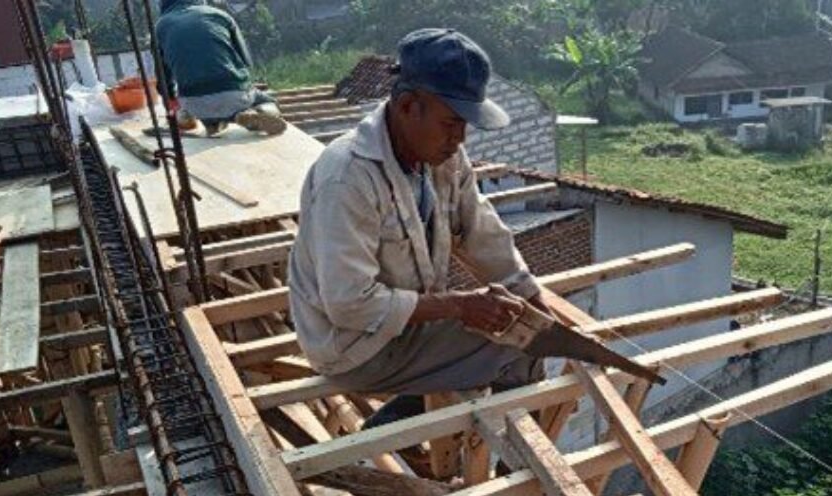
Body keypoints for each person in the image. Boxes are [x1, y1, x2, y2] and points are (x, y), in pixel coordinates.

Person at [288, 28, 548, 425]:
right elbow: (349, 305)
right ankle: (413, 436)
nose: (459, 138)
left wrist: (533, 299)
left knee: (532, 330)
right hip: (355, 346)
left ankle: (401, 421)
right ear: (408, 106)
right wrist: (460, 306)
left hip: (407, 326)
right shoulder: (346, 178)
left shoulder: (443, 157)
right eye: (450, 123)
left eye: (464, 125)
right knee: (520, 348)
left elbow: (482, 232)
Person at [154, 0, 286, 136]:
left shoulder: (161, 26)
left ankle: (210, 123)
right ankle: (255, 114)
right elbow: (246, 60)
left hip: (192, 102)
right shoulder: (221, 15)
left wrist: (172, 98)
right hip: (233, 92)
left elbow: (163, 79)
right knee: (268, 101)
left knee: (199, 108)